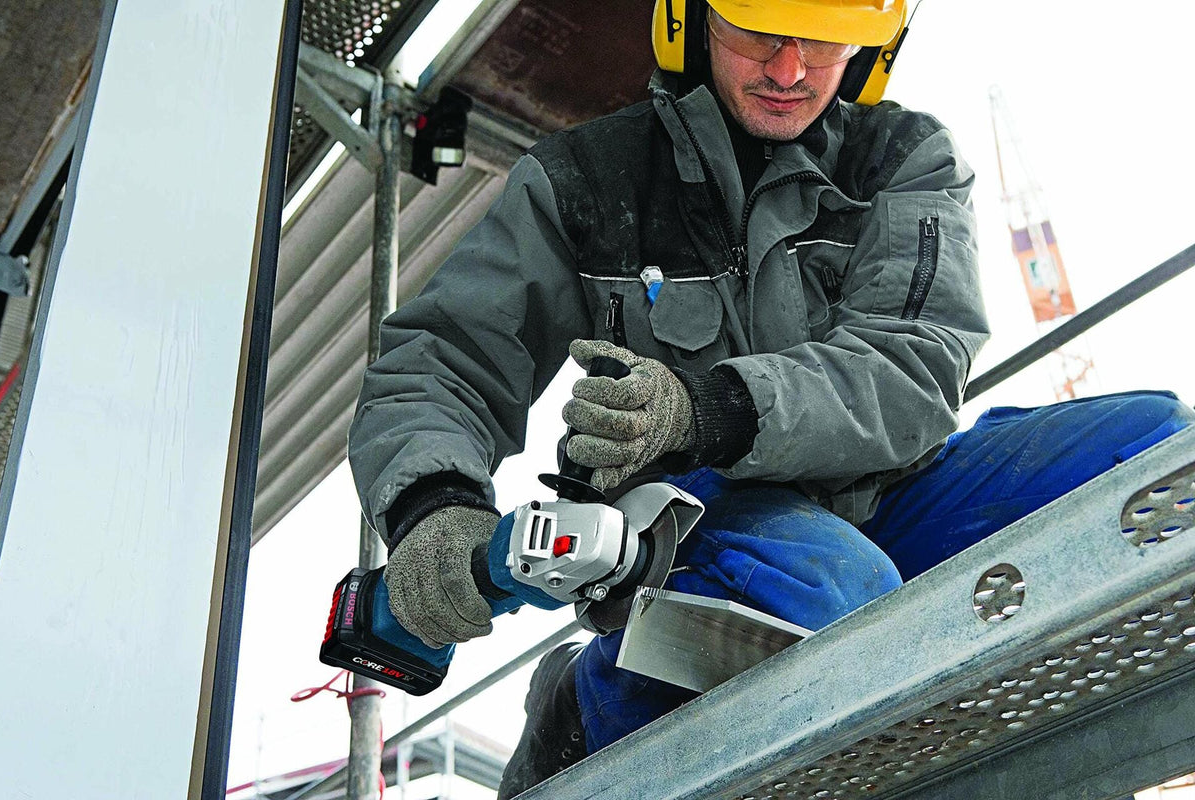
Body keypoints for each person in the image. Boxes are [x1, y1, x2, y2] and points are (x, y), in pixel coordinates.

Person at [348, 0, 1194, 795]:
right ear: (692, 17)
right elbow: (444, 359)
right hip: (699, 523)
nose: (790, 70)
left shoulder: (904, 160)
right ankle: (583, 707)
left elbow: (913, 367)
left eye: (821, 36)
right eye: (760, 31)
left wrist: (704, 408)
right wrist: (434, 507)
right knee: (836, 593)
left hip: (892, 491)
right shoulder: (586, 182)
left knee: (1158, 455)